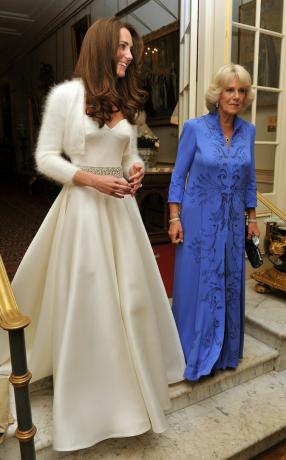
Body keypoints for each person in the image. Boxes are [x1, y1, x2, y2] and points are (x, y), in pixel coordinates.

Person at [0, 18, 185, 451]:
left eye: (131, 49)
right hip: (83, 211)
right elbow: (45, 159)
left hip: (121, 214)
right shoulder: (68, 95)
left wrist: (133, 169)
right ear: (102, 46)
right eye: (122, 47)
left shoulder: (123, 98)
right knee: (92, 300)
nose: (129, 55)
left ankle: (131, 392)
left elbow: (125, 155)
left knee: (132, 300)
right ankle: (89, 402)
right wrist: (92, 179)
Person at [168, 63, 260, 382]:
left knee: (229, 282)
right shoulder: (194, 128)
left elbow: (249, 180)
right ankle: (193, 351)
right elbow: (178, 176)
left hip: (234, 224)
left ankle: (224, 353)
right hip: (198, 222)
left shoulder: (249, 131)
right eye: (229, 89)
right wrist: (174, 217)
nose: (236, 96)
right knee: (198, 285)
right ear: (217, 94)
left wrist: (252, 218)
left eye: (241, 91)